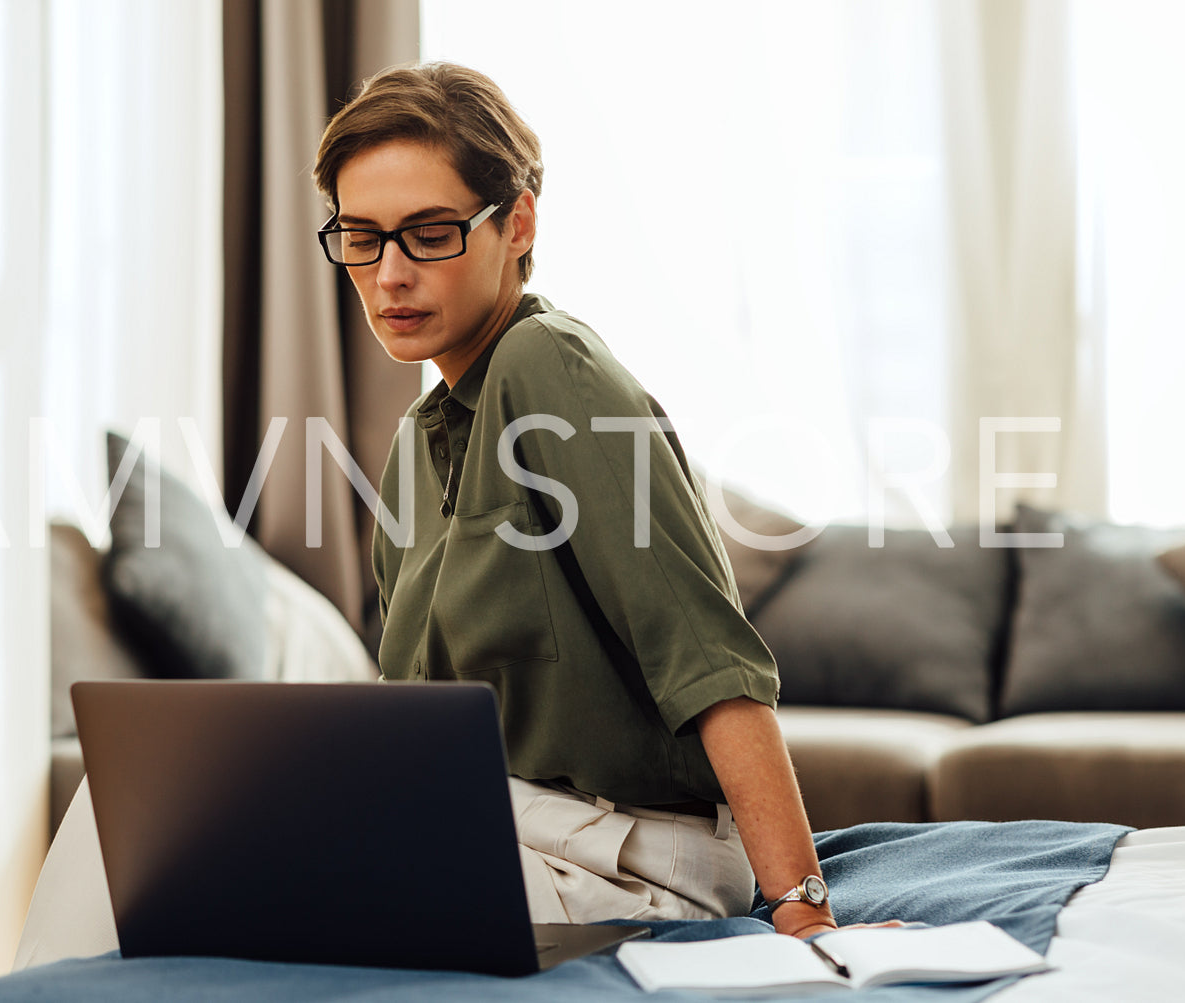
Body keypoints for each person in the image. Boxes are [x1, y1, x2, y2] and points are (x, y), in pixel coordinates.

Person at [313, 62, 840, 939]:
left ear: (516, 223)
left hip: (626, 851)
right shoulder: (417, 443)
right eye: (361, 236)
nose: (388, 274)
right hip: (490, 824)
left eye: (429, 233)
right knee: (129, 837)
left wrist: (802, 912)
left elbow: (709, 660)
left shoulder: (546, 364)